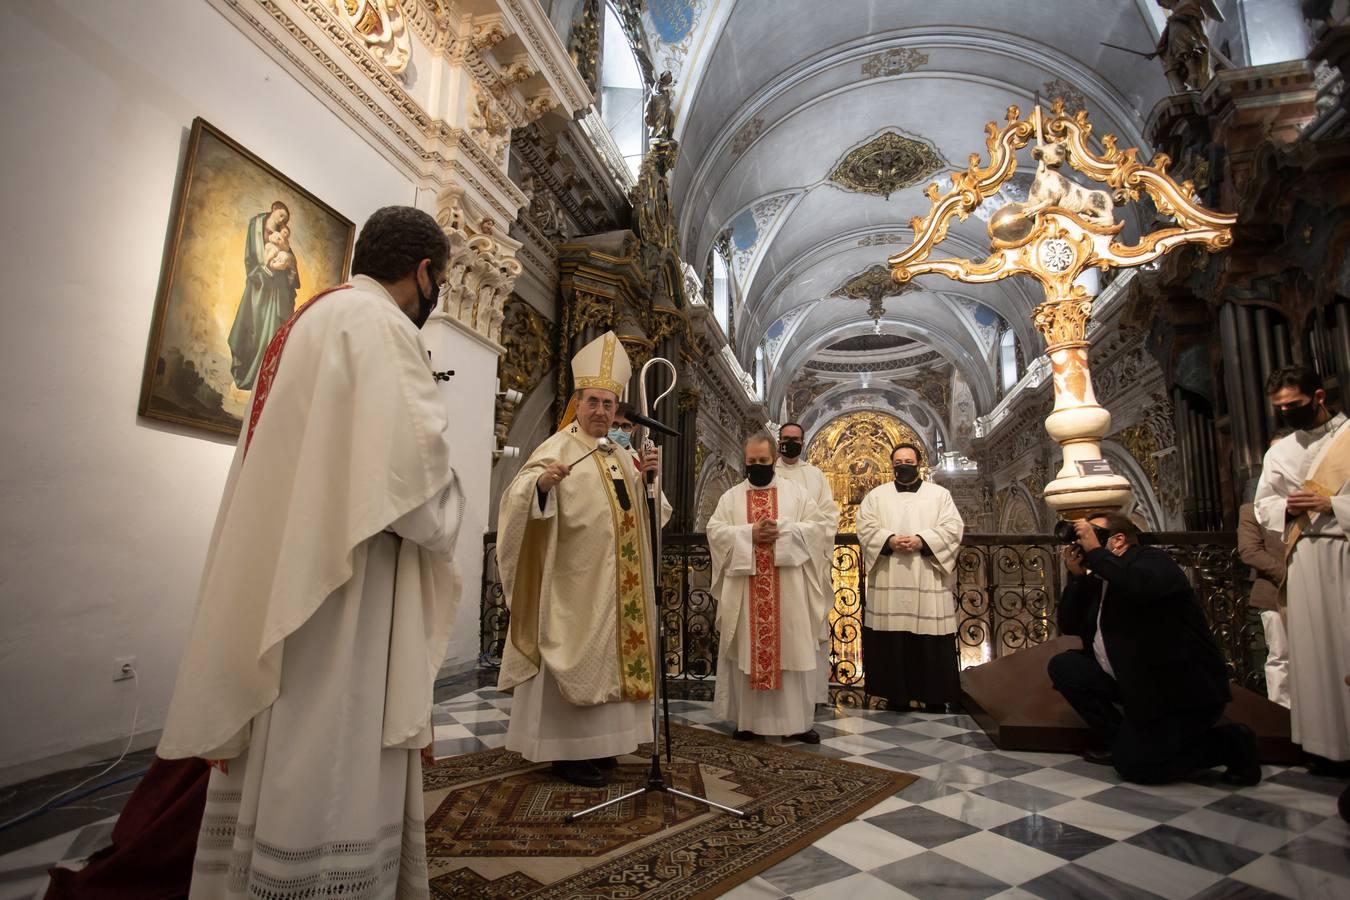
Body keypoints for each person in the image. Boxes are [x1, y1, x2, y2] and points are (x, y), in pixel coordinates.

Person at [157, 205, 465, 898]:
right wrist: (454, 506)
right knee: (331, 746)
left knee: (284, 730)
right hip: (347, 585)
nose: (434, 292)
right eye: (439, 278)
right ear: (422, 272)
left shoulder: (308, 319)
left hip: (292, 565)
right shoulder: (382, 329)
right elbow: (415, 477)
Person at [497, 332, 666, 788]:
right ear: (578, 402)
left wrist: (649, 483)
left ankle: (603, 744)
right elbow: (519, 497)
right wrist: (543, 487)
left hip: (620, 584)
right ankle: (566, 751)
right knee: (577, 654)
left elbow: (650, 516)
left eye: (609, 405)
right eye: (593, 402)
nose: (601, 412)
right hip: (575, 584)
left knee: (611, 661)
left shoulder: (619, 453)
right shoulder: (557, 447)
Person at [1048, 514, 1260, 785]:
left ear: (1118, 540)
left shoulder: (1150, 561)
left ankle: (1232, 743)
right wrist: (1077, 579)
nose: (1083, 544)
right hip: (1138, 687)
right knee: (1065, 667)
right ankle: (1122, 742)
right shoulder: (1102, 577)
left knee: (1137, 768)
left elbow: (1139, 587)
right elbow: (1070, 624)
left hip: (1179, 693)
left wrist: (1098, 554)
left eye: (1091, 535)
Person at [708, 433, 836, 742]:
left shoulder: (796, 494)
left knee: (791, 651)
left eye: (763, 461)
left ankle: (798, 723)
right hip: (746, 590)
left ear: (773, 459)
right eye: (751, 462)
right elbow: (715, 531)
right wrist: (749, 533)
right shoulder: (731, 497)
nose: (757, 466)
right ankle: (747, 722)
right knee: (748, 652)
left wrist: (784, 530)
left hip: (789, 592)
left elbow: (820, 528)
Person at [1253, 365, 1350, 770]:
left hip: (1343, 551)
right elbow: (1263, 505)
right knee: (1310, 654)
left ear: (1319, 397)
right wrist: (1286, 506)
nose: (1286, 413)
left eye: (1294, 405)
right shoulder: (1280, 451)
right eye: (1279, 408)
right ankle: (1321, 746)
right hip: (1304, 557)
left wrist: (1333, 505)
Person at [856, 443, 965, 711]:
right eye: (898, 461)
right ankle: (897, 695)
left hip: (926, 573)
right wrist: (889, 540)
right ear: (891, 465)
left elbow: (953, 527)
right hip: (890, 574)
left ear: (919, 463)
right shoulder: (877, 496)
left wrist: (923, 541)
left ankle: (934, 697)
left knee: (929, 635)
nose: (903, 465)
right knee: (893, 638)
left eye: (908, 460)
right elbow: (865, 526)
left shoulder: (939, 495)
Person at [773, 422, 840, 704]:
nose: (790, 443)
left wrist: (796, 534)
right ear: (778, 441)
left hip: (807, 567)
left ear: (803, 442)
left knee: (808, 629)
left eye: (796, 439)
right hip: (772, 565)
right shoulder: (766, 471)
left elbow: (828, 517)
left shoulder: (815, 476)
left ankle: (811, 697)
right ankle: (773, 693)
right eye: (785, 438)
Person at [1237, 430, 1293, 708]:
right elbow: (1250, 551)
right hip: (1274, 589)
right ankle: (1283, 713)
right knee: (1280, 656)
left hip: (1315, 588)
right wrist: (1290, 575)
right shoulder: (1252, 508)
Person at [228, 200, 301, 390]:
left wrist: (289, 265)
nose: (282, 219)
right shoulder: (257, 226)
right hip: (259, 288)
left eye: (284, 218)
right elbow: (251, 258)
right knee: (254, 327)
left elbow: (291, 265)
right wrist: (265, 270)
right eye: (281, 214)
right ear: (274, 209)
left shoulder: (282, 238)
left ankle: (266, 380)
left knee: (273, 331)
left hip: (277, 293)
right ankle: (248, 374)